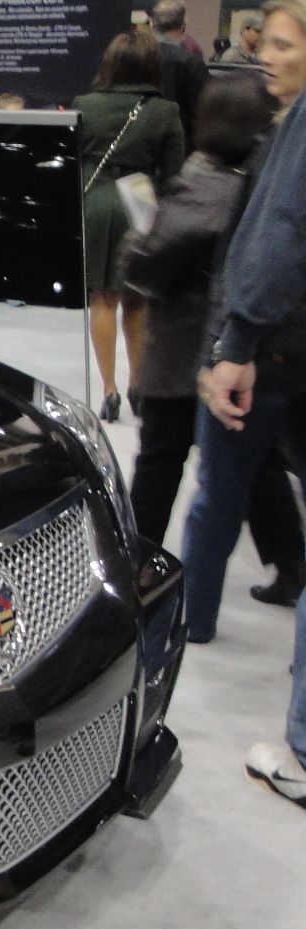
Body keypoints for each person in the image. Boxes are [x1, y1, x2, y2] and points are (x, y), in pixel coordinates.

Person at [123, 77, 303, 603]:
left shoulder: (200, 187)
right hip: (247, 351)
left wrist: (139, 238)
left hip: (185, 349)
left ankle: (138, 565)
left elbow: (147, 268)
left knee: (158, 461)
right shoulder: (265, 184)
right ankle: (292, 564)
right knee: (260, 465)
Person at [197, 0, 306, 806]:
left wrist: (234, 344)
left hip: (278, 349)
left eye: (280, 43)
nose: (263, 56)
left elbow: (278, 235)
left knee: (220, 488)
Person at [74, 31, 184, 421]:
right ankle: (138, 384)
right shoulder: (165, 111)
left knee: (102, 299)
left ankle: (109, 390)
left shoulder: (84, 104)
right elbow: (175, 176)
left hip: (96, 202)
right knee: (137, 302)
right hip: (140, 201)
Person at [150, 0, 210, 144]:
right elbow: (204, 110)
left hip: (140, 145)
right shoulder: (191, 63)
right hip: (180, 144)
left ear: (152, 24)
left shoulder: (135, 57)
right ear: (183, 26)